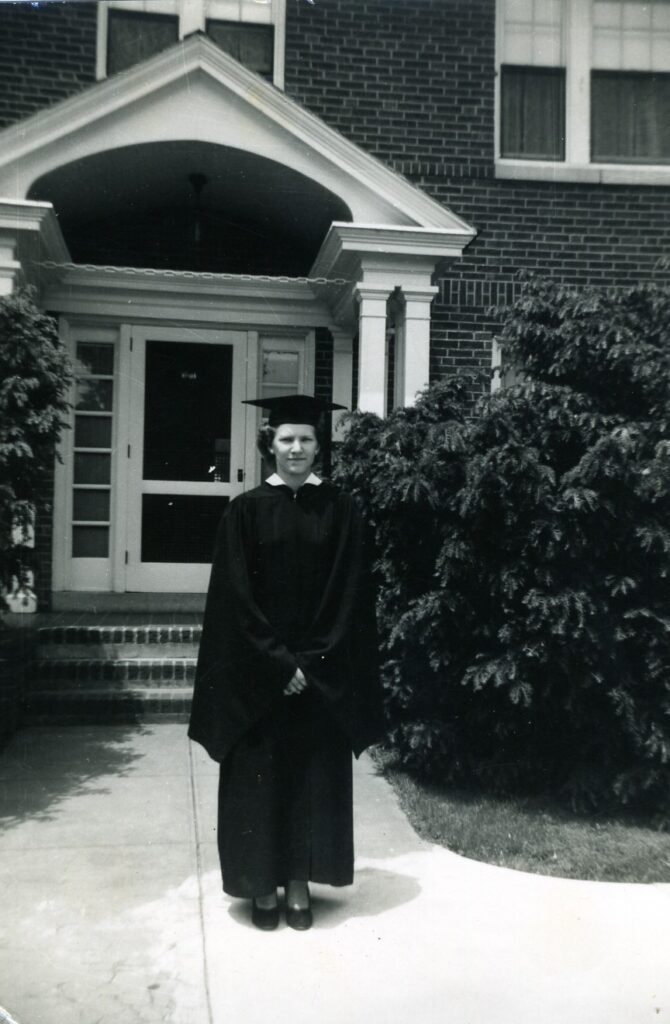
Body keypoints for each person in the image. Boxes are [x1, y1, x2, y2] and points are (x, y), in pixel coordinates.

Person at [188, 394, 383, 931]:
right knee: (258, 778)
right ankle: (261, 888)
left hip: (319, 675)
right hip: (260, 679)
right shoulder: (245, 510)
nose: (296, 449)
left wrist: (312, 663)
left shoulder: (342, 510)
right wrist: (279, 665)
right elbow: (234, 600)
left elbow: (349, 593)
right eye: (286, 440)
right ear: (269, 445)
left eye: (306, 440)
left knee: (310, 779)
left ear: (320, 448)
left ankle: (299, 883)